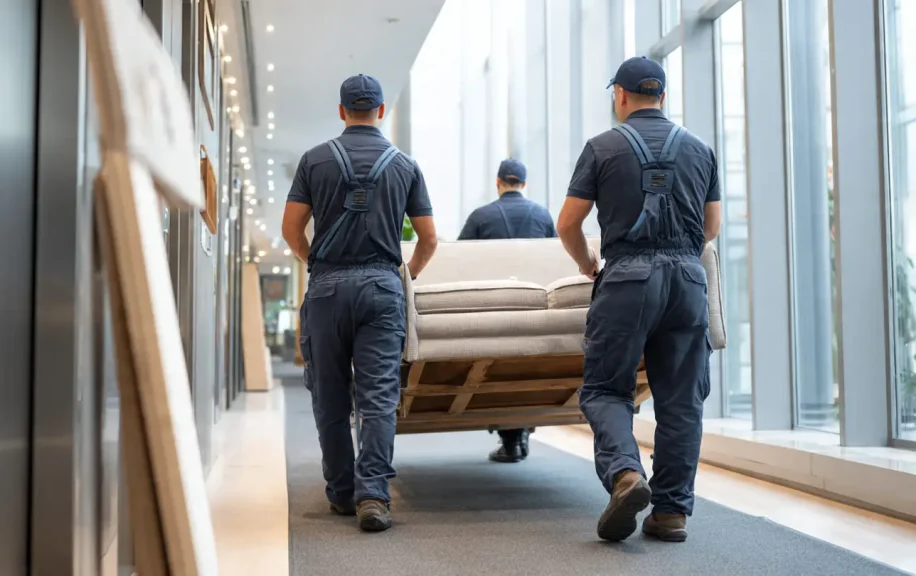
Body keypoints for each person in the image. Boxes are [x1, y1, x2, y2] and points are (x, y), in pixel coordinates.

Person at [556, 56, 722, 543]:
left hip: (627, 280)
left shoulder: (602, 147)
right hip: (688, 281)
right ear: (663, 97)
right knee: (681, 401)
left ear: (621, 97)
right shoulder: (700, 150)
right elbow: (710, 229)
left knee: (607, 390)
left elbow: (567, 223)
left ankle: (626, 474)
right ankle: (671, 512)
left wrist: (587, 262)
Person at [282, 74, 439, 533]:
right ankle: (373, 496)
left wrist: (317, 264)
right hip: (382, 288)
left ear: (341, 111)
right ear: (383, 111)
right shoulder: (405, 165)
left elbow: (291, 230)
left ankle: (341, 492)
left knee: (329, 395)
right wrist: (406, 274)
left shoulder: (314, 161)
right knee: (378, 397)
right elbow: (428, 238)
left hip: (328, 288)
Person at [457, 158, 557, 464]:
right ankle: (518, 432)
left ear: (498, 183)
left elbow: (458, 260)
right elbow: (557, 257)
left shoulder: (480, 216)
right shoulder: (542, 215)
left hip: (493, 312)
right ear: (524, 185)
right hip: (539, 312)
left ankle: (511, 437)